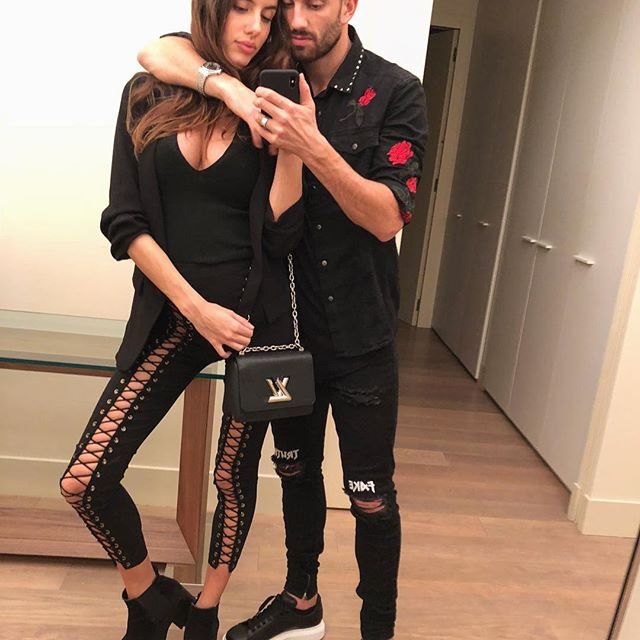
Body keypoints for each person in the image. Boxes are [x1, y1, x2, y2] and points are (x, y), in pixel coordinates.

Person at [138, 1, 428, 639]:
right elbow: (157, 53)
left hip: (361, 332)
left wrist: (310, 144)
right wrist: (228, 90)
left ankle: (378, 629)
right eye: (286, 3)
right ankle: (302, 602)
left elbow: (388, 217)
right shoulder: (261, 70)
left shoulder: (395, 89)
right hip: (285, 331)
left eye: (314, 3)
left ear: (348, 4)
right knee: (295, 471)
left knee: (369, 496)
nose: (295, 17)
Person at [58, 1, 308, 639]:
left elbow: (281, 234)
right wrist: (197, 310)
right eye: (241, 8)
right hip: (174, 315)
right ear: (211, 9)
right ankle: (148, 596)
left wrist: (292, 146)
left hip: (254, 325)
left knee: (231, 476)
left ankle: (205, 609)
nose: (254, 27)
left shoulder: (267, 102)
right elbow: (125, 221)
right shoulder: (149, 93)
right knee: (85, 480)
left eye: (268, 14)